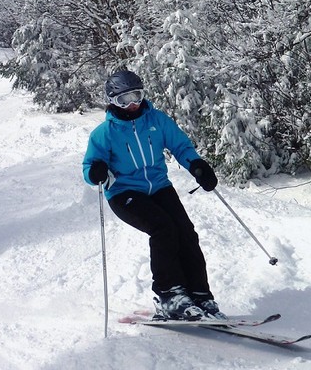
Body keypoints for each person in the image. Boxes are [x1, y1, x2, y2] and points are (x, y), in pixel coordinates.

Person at [82, 70, 224, 320]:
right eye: (124, 99)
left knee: (186, 233)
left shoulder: (157, 120)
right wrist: (96, 171)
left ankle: (199, 294)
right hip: (124, 192)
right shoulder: (104, 133)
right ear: (113, 100)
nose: (133, 104)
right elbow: (89, 167)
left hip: (158, 186)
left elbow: (180, 145)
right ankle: (169, 296)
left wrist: (197, 166)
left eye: (136, 96)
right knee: (163, 229)